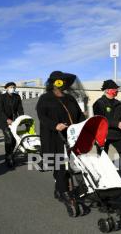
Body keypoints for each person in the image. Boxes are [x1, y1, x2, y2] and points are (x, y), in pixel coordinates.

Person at [36, 71, 85, 217]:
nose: (61, 84)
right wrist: (54, 125)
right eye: (58, 81)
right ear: (52, 83)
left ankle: (59, 190)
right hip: (54, 137)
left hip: (71, 137)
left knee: (72, 166)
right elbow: (41, 116)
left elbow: (79, 114)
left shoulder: (70, 98)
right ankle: (67, 196)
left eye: (63, 81)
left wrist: (84, 125)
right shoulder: (45, 98)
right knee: (60, 167)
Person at [0, 82, 24, 167]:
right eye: (11, 87)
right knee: (9, 138)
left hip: (14, 121)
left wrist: (22, 118)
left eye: (14, 87)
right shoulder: (1, 97)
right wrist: (7, 119)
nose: (13, 88)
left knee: (14, 139)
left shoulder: (17, 97)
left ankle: (9, 154)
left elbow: (20, 108)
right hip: (4, 121)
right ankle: (9, 158)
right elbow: (0, 110)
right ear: (6, 88)